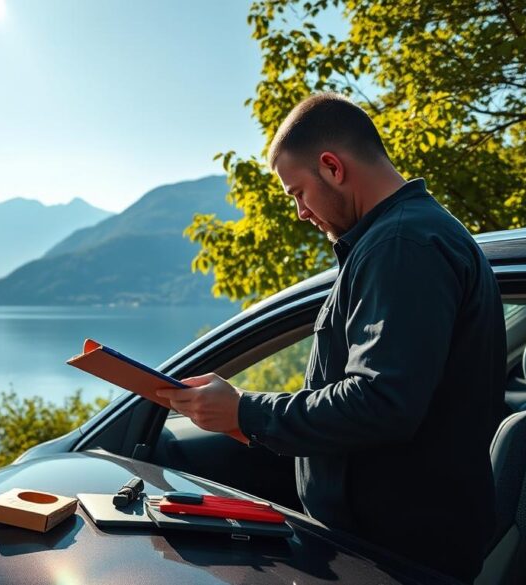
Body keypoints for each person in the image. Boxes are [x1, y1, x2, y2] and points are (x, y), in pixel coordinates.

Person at [157, 93, 505, 582]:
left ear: (331, 167)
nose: (300, 212)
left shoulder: (401, 246)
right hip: (383, 545)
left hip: (397, 557)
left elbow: (380, 401)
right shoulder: (401, 237)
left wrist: (244, 410)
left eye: (297, 192)